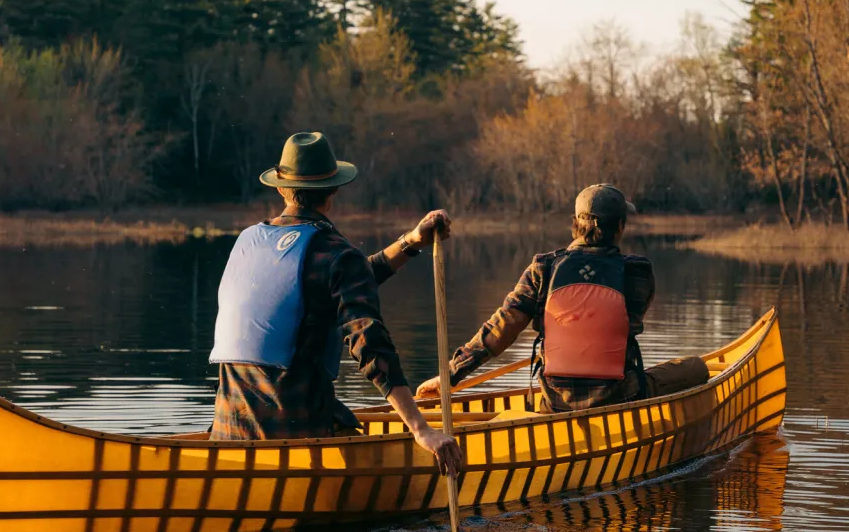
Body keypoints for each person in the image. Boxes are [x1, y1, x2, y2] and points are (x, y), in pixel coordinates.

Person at [209, 131, 464, 477]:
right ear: (333, 192)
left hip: (227, 432)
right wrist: (421, 429)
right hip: (296, 438)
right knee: (347, 426)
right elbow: (370, 344)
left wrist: (412, 242)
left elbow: (349, 277)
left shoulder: (248, 240)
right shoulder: (335, 254)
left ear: (281, 188)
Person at [417, 184, 709, 413]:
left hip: (555, 403)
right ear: (620, 227)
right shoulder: (637, 273)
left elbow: (499, 330)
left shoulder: (542, 269)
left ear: (575, 224)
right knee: (696, 368)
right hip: (619, 397)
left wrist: (450, 375)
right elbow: (627, 321)